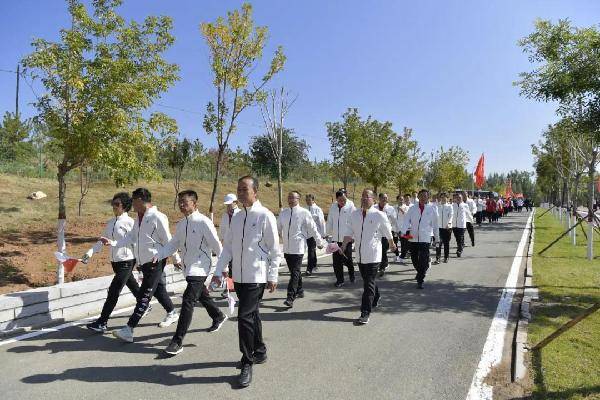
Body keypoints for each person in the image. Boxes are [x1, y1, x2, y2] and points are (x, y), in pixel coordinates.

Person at [213, 176, 281, 388]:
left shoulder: (265, 215)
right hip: (239, 277)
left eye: (245, 190)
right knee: (252, 315)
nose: (241, 193)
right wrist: (218, 270)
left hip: (256, 276)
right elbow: (228, 248)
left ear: (255, 192)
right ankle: (259, 350)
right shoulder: (238, 217)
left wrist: (272, 275)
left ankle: (247, 360)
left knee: (243, 317)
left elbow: (274, 249)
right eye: (238, 190)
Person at [153, 190, 227, 356]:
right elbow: (173, 244)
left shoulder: (203, 222)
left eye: (185, 202)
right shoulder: (181, 224)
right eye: (179, 202)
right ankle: (218, 316)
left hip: (201, 267)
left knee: (188, 299)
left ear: (194, 203)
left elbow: (217, 245)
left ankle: (177, 341)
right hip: (188, 268)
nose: (181, 205)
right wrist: (159, 255)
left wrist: (224, 268)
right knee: (201, 295)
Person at [107, 188, 181, 343]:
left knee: (144, 296)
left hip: (156, 261)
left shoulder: (157, 217)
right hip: (144, 263)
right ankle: (172, 312)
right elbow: (131, 238)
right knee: (158, 290)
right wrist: (114, 243)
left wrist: (176, 258)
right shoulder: (138, 219)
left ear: (140, 200)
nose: (131, 204)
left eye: (133, 201)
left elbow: (169, 240)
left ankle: (129, 329)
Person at [82, 192, 142, 333]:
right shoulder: (111, 223)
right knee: (132, 285)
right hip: (115, 262)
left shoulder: (130, 223)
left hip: (127, 260)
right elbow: (102, 240)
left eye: (117, 204)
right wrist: (89, 253)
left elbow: (135, 242)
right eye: (112, 204)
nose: (113, 207)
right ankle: (144, 304)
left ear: (125, 206)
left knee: (113, 290)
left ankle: (102, 322)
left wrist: (139, 263)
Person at [342, 189, 395, 325]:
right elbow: (349, 231)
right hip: (360, 255)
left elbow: (388, 231)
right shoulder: (354, 215)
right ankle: (376, 295)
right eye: (363, 196)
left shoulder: (379, 215)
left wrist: (392, 244)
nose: (364, 199)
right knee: (368, 281)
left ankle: (365, 313)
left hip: (373, 255)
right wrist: (343, 246)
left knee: (368, 284)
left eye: (368, 197)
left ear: (373, 200)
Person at [278, 191, 325, 308]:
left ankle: (290, 297)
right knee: (295, 271)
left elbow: (313, 228)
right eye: (289, 198)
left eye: (293, 198)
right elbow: (277, 228)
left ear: (298, 199)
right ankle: (300, 290)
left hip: (298, 247)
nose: (290, 200)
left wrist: (319, 241)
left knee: (294, 272)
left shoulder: (304, 213)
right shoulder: (284, 213)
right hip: (287, 248)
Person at [400, 189, 439, 289]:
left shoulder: (432, 209)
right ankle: (421, 271)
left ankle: (420, 279)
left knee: (423, 259)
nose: (423, 198)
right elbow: (406, 221)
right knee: (414, 259)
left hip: (425, 238)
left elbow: (435, 226)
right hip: (413, 237)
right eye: (421, 196)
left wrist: (437, 239)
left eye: (425, 196)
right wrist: (403, 231)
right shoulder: (412, 208)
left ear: (428, 197)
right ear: (418, 197)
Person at [326, 189, 356, 287]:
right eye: (340, 200)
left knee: (348, 259)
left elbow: (355, 222)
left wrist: (353, 236)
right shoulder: (333, 207)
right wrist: (327, 233)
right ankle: (340, 280)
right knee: (336, 261)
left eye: (344, 200)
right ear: (337, 199)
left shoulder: (351, 206)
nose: (343, 202)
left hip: (346, 239)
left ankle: (351, 273)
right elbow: (330, 220)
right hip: (335, 238)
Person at [219, 193, 240, 297]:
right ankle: (230, 287)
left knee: (235, 267)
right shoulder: (225, 215)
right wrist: (221, 240)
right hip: (228, 245)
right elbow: (222, 229)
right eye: (226, 205)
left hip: (239, 245)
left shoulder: (241, 214)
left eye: (229, 204)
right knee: (229, 267)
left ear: (236, 203)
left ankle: (235, 287)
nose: (227, 206)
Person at [374, 193, 398, 277]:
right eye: (383, 198)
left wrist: (394, 230)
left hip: (386, 233)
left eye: (386, 198)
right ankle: (383, 263)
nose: (385, 199)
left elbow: (394, 221)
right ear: (379, 198)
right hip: (376, 233)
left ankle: (382, 268)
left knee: (383, 250)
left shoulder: (390, 209)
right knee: (377, 250)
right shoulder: (374, 208)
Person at [305, 194, 326, 276]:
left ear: (313, 200)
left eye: (309, 200)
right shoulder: (305, 209)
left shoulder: (317, 209)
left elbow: (322, 222)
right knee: (312, 250)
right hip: (305, 233)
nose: (308, 201)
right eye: (306, 200)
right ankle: (314, 264)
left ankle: (309, 268)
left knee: (311, 250)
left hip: (315, 233)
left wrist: (323, 234)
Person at [434, 192, 453, 264]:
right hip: (438, 228)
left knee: (446, 243)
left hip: (447, 228)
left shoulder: (449, 206)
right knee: (438, 243)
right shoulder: (437, 206)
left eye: (445, 197)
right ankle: (438, 258)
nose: (443, 198)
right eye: (442, 197)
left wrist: (449, 223)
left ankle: (446, 257)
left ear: (447, 198)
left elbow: (451, 216)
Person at [396, 194, 412, 261]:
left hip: (407, 228)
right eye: (400, 199)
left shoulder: (407, 207)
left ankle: (404, 254)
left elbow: (408, 217)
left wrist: (402, 210)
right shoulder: (394, 207)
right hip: (399, 228)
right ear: (397, 200)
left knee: (408, 242)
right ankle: (403, 254)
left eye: (402, 199)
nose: (401, 201)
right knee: (402, 242)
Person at [452, 193, 468, 258]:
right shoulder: (453, 205)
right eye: (457, 197)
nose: (458, 198)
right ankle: (460, 246)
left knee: (460, 237)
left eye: (460, 197)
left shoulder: (465, 205)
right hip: (454, 225)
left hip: (462, 225)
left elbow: (469, 213)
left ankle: (459, 250)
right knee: (457, 238)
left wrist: (470, 220)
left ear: (462, 198)